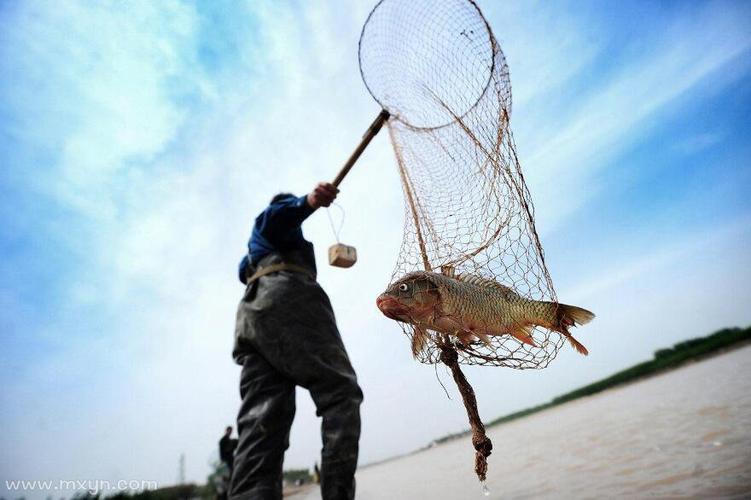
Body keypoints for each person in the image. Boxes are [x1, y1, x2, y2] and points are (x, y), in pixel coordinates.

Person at [229, 182, 363, 500]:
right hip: (289, 298)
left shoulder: (253, 254)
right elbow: (275, 217)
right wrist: (308, 201)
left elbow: (242, 269)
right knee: (340, 394)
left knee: (262, 420)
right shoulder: (273, 222)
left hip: (252, 316)